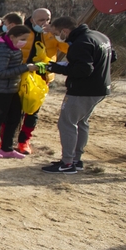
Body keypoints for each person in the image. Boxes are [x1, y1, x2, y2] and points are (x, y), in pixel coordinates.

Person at [42, 16, 113, 173]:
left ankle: (67, 163)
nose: (55, 36)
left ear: (65, 31)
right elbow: (112, 56)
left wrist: (54, 68)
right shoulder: (99, 36)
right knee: (81, 123)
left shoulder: (80, 43)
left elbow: (83, 70)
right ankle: (76, 159)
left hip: (82, 90)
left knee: (67, 123)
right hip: (100, 88)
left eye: (56, 33)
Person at [15, 8, 69, 154]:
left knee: (33, 111)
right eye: (41, 20)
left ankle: (24, 141)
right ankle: (6, 138)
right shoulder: (22, 31)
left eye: (48, 19)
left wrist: (58, 36)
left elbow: (68, 49)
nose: (45, 23)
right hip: (21, 75)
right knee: (14, 109)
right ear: (32, 20)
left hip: (42, 78)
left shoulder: (54, 34)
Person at [0, 24, 37, 159]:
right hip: (0, 90)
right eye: (22, 38)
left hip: (12, 89)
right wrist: (25, 68)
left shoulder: (15, 49)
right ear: (12, 37)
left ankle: (7, 148)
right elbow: (0, 73)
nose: (24, 42)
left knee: (14, 118)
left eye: (26, 39)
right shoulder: (1, 50)